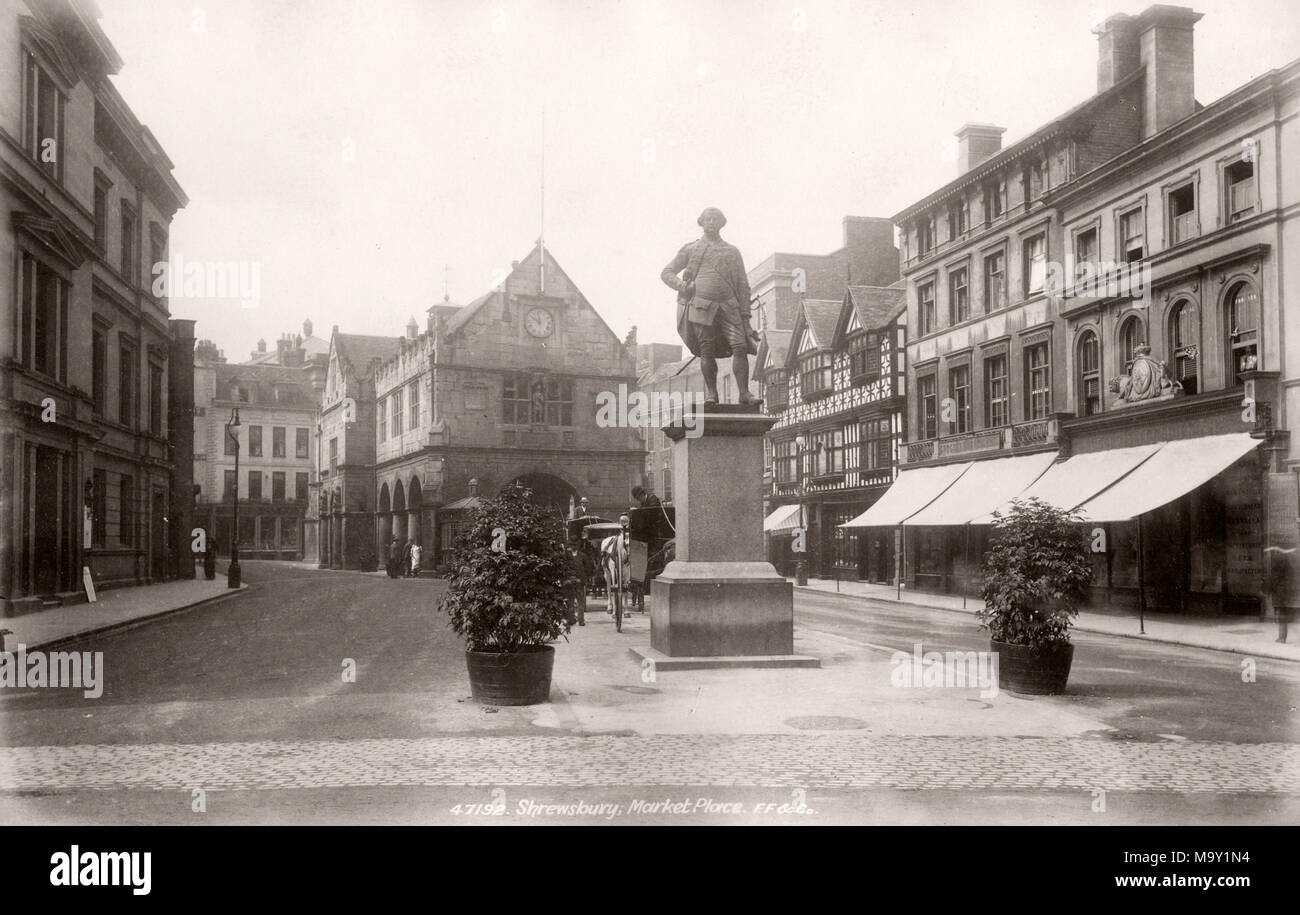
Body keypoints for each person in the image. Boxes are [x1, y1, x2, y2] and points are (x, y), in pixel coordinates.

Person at [661, 207, 761, 406]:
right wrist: (682, 285)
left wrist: (746, 316)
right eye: (707, 219)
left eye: (715, 219)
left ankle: (744, 393)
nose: (711, 222)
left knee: (740, 346)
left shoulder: (732, 251)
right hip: (701, 306)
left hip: (729, 307)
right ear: (701, 222)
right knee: (706, 349)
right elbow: (666, 272)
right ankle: (712, 394)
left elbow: (742, 284)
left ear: (722, 222)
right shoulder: (691, 249)